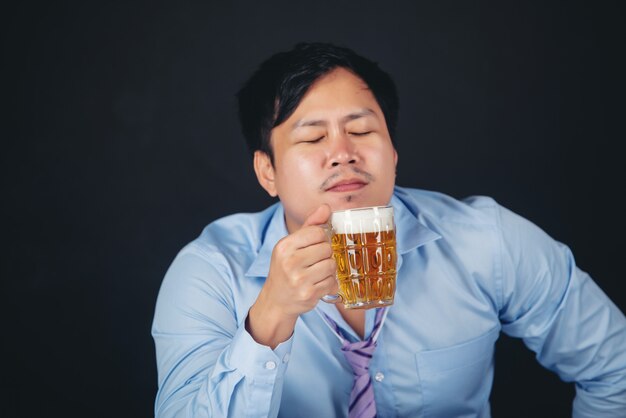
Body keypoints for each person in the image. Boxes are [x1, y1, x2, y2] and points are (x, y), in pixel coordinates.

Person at [151, 42, 626, 417]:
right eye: (313, 137)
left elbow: (616, 368)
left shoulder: (485, 240)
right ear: (267, 172)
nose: (342, 152)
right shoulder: (210, 270)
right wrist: (270, 319)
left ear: (393, 154)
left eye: (361, 130)